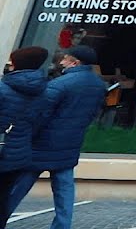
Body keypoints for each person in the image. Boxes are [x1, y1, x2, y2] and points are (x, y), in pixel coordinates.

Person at [6, 46, 106, 229]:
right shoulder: (99, 85)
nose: (61, 61)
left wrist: (27, 137)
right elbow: (93, 114)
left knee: (17, 189)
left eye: (66, 58)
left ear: (75, 63)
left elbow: (40, 114)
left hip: (42, 144)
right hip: (70, 144)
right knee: (64, 191)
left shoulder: (59, 84)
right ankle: (62, 225)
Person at [0, 47, 50, 229]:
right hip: (18, 153)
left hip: (4, 148)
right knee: (3, 196)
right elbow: (38, 122)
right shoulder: (43, 91)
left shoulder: (3, 88)